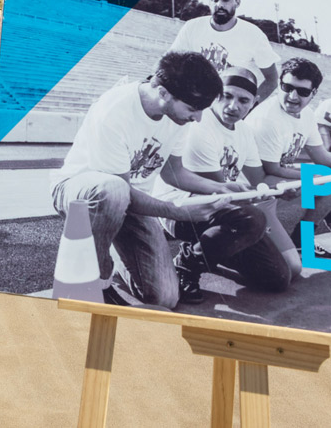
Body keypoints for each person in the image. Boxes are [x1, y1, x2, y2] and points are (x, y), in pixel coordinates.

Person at [49, 51, 229, 308]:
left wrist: (220, 188)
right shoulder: (115, 110)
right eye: (192, 109)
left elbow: (174, 172)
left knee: (165, 297)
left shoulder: (176, 118)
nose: (197, 118)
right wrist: (179, 211)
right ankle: (95, 283)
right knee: (112, 191)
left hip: (130, 201)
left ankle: (111, 244)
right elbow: (123, 192)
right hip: (80, 191)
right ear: (163, 92)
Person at [152, 67, 292, 303]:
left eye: (243, 100)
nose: (233, 106)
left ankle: (211, 247)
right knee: (253, 219)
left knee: (277, 278)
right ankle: (187, 264)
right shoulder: (200, 125)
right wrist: (266, 192)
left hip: (223, 211)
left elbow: (258, 181)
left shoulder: (244, 131)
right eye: (226, 96)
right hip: (183, 210)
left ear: (254, 103)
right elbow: (221, 189)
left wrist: (287, 188)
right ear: (215, 94)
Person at [251, 57, 331, 277]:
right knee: (291, 269)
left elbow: (321, 155)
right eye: (287, 87)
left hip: (275, 181)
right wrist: (318, 175)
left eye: (301, 91)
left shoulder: (307, 114)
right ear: (280, 83)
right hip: (255, 188)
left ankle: (302, 242)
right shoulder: (267, 118)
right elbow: (271, 169)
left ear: (314, 93)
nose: (292, 96)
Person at [168, 0, 279, 102]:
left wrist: (250, 105)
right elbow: (170, 63)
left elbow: (272, 79)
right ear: (209, 3)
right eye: (215, 0)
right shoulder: (192, 27)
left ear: (237, 2)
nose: (219, 4)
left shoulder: (253, 35)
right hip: (194, 99)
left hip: (227, 105)